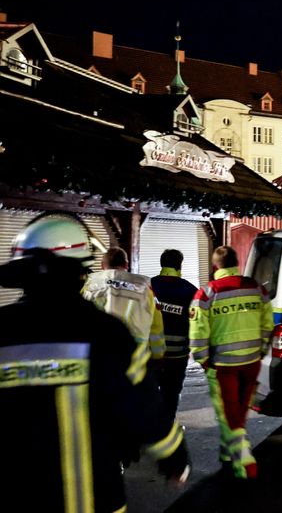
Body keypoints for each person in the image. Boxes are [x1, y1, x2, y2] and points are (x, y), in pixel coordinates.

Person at [0, 215, 190, 512]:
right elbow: (143, 406)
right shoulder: (106, 332)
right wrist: (173, 455)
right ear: (79, 271)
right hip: (93, 497)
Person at [190, 246, 273, 479]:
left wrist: (202, 359)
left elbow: (198, 332)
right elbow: (268, 324)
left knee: (229, 414)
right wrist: (262, 350)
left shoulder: (207, 293)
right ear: (238, 262)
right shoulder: (257, 289)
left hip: (223, 365)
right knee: (239, 411)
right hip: (251, 361)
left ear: (216, 266)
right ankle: (228, 453)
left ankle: (244, 461)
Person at [83, 247, 166, 363]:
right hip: (135, 359)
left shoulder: (88, 284)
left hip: (98, 357)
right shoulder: (144, 286)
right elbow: (156, 324)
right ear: (126, 264)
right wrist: (158, 354)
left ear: (102, 265)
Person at [150, 249, 199, 417]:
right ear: (180, 265)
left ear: (161, 264)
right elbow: (197, 323)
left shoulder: (148, 286)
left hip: (152, 354)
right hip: (178, 355)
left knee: (150, 393)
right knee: (171, 395)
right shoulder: (190, 290)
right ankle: (168, 428)